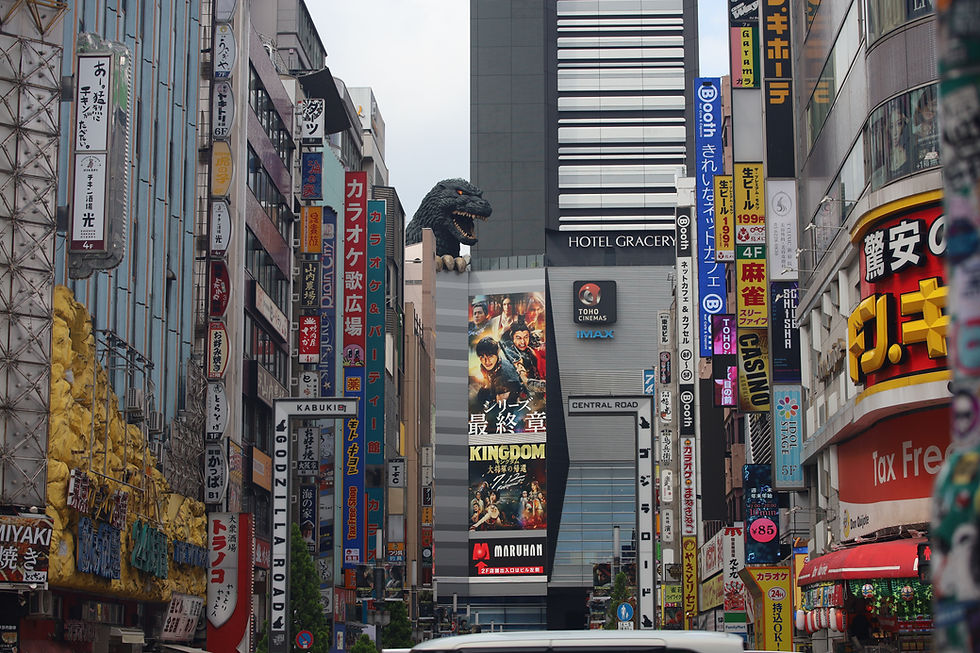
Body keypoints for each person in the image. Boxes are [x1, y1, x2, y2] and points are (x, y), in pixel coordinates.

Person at [474, 337, 525, 407]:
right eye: (482, 357)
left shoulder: (505, 376)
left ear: (497, 354)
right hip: (495, 386)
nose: (486, 361)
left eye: (490, 356)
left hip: (510, 398)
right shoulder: (485, 366)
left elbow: (501, 405)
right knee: (480, 396)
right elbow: (486, 381)